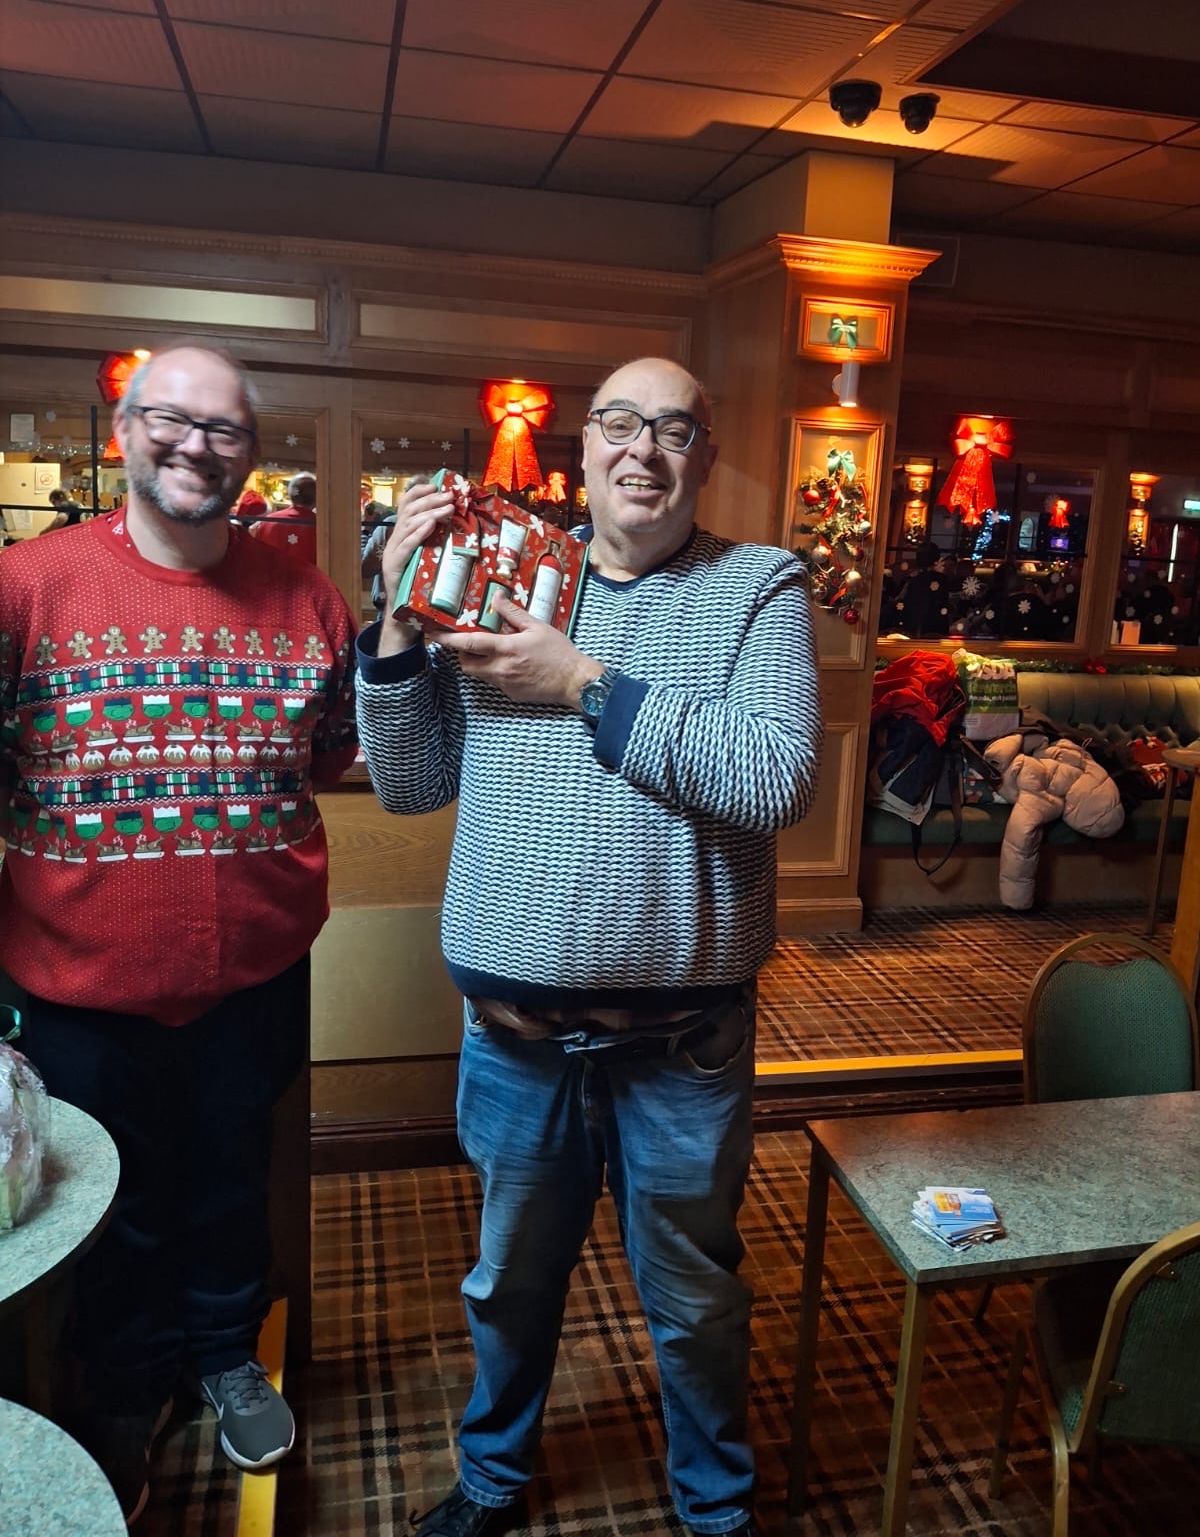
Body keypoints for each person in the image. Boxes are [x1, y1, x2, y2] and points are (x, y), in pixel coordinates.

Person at [356, 357, 823, 1537]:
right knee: (508, 1287)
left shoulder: (760, 584)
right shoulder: (510, 568)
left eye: (674, 428)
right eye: (620, 422)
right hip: (512, 1042)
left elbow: (774, 776)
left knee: (695, 1301)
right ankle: (492, 1480)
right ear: (584, 448)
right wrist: (400, 625)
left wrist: (581, 680)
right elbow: (412, 783)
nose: (642, 449)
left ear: (704, 457)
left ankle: (715, 1509)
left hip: (682, 1048)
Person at [0, 345, 358, 1524]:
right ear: (123, 431)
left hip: (255, 975)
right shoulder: (26, 586)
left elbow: (329, 757)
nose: (196, 445)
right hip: (75, 985)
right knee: (108, 1207)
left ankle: (223, 1353)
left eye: (224, 429)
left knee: (230, 1179)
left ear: (252, 453)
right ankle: (121, 1390)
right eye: (170, 419)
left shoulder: (307, 599)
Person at [250, 470, 317, 564]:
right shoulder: (322, 526)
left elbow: (257, 557)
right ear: (316, 497)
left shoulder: (267, 522)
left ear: (291, 495)